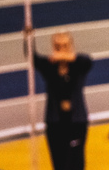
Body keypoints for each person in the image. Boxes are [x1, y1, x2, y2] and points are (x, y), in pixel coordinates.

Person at [25, 29, 93, 170]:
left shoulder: (79, 64)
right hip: (55, 123)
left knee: (77, 162)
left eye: (65, 46)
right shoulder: (49, 67)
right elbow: (32, 57)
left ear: (71, 46)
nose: (61, 50)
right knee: (60, 164)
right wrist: (29, 38)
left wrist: (63, 57)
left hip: (76, 123)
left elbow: (88, 61)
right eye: (58, 46)